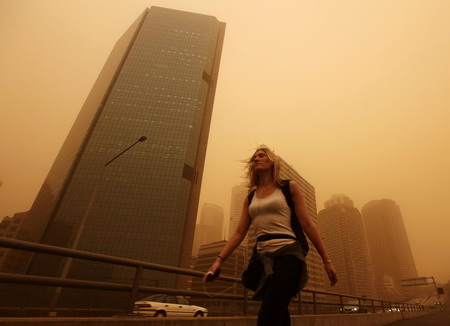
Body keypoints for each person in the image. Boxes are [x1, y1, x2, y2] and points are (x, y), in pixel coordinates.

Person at [203, 145, 337, 326]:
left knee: (268, 315)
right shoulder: (250, 197)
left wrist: (326, 260)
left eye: (261, 155)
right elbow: (239, 232)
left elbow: (307, 224)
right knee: (279, 315)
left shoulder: (288, 187)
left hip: (288, 254)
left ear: (272, 161)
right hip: (263, 260)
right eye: (254, 158)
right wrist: (218, 261)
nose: (256, 159)